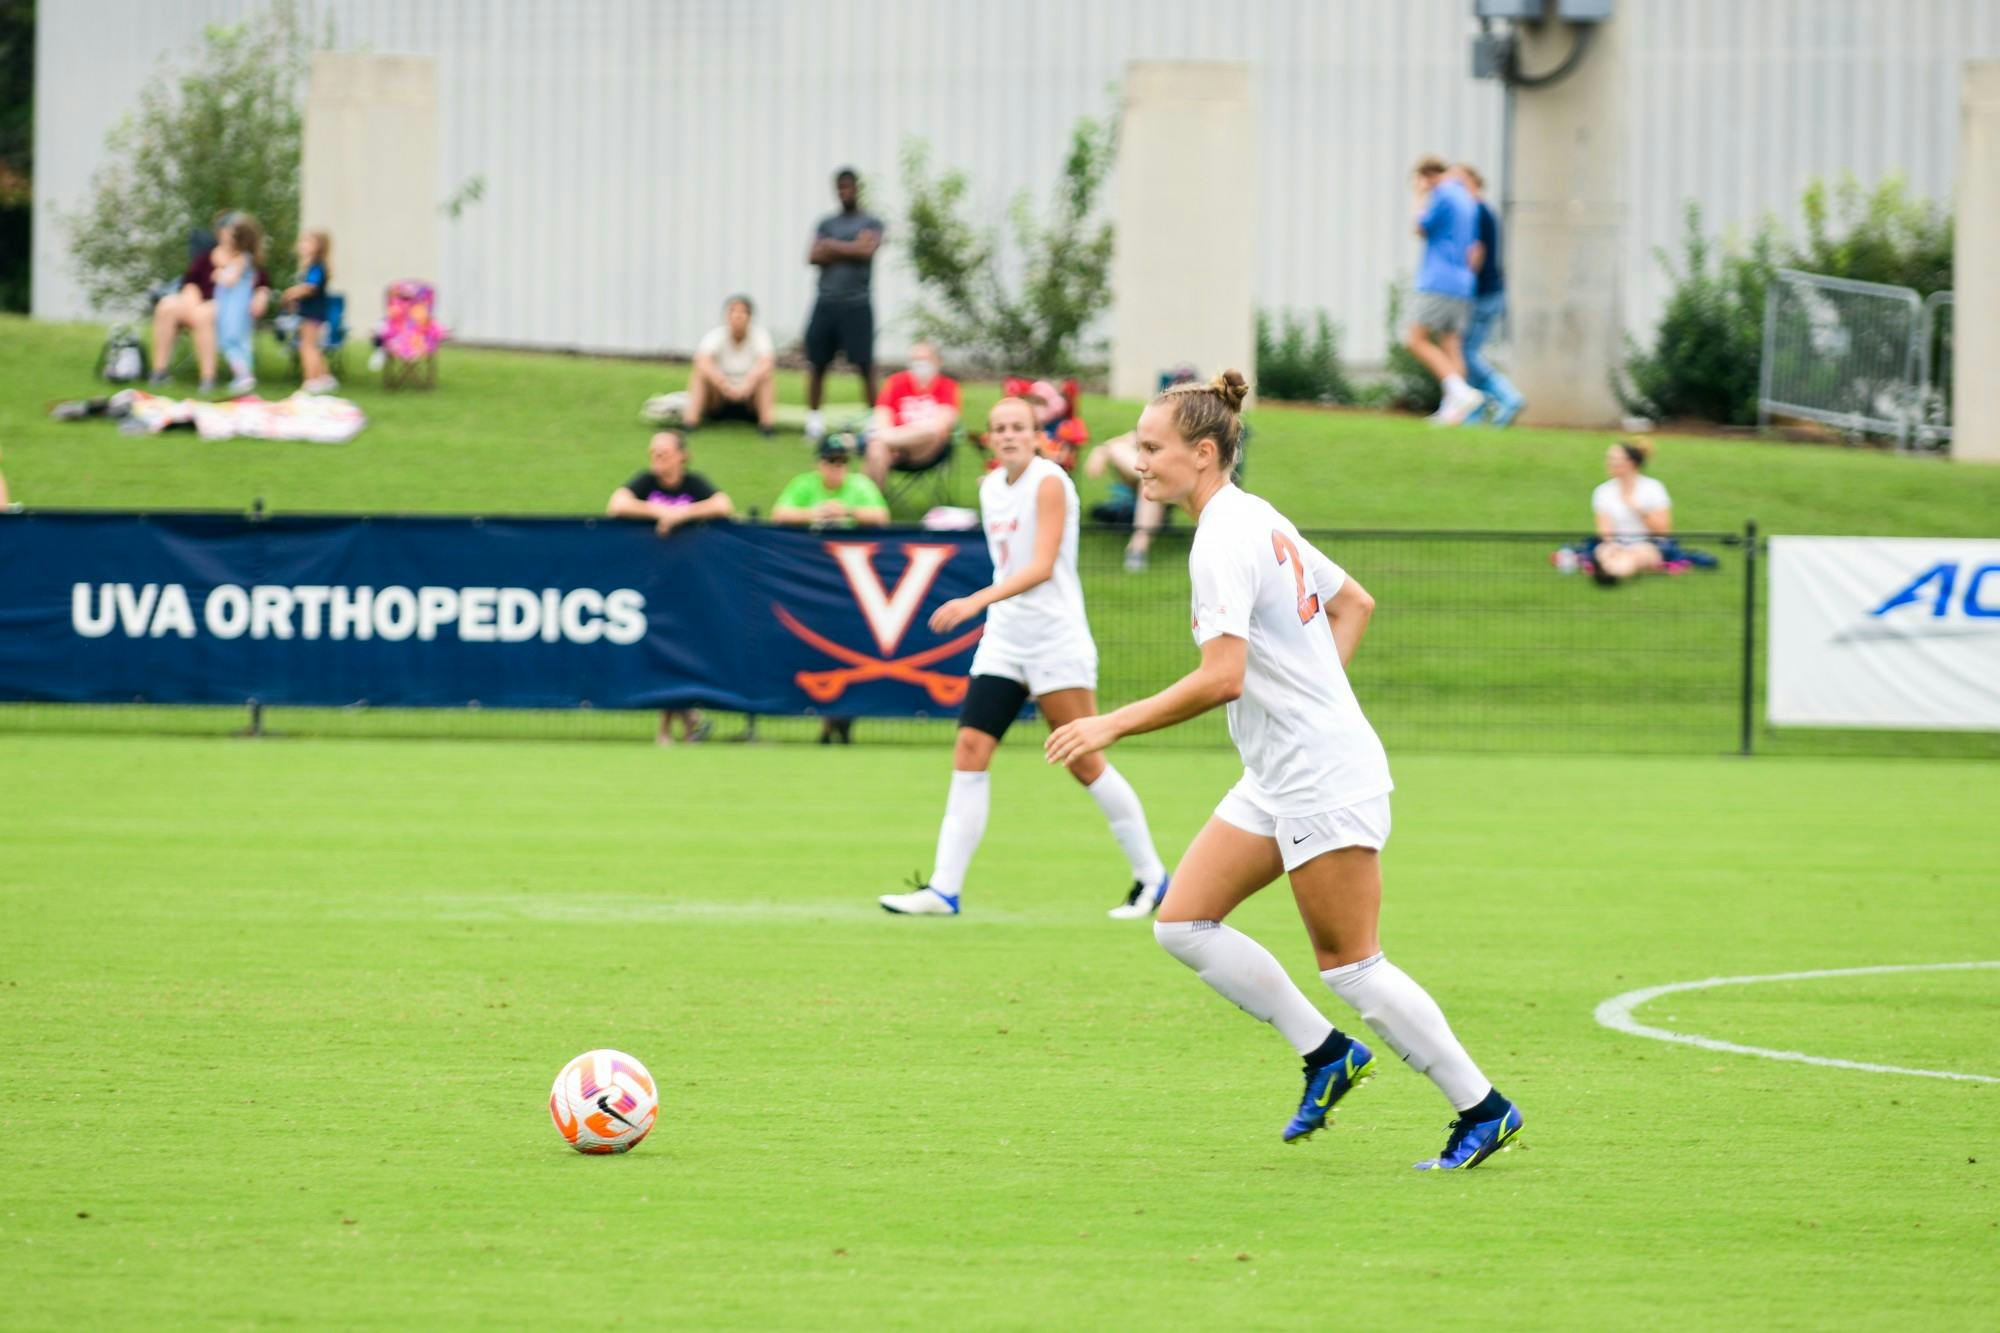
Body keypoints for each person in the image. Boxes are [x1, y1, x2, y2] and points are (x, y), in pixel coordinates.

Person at [1045, 371, 1522, 1171]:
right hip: (1281, 770)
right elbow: (1355, 604)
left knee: (1354, 967)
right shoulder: (1253, 516)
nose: (1138, 460)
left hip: (1319, 778)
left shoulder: (1223, 538)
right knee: (1182, 921)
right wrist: (1311, 699)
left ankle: (1484, 1107)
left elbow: (1222, 675)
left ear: (1202, 453)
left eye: (1152, 447)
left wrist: (1111, 720)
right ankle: (1325, 1054)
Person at [878, 396, 1172, 921]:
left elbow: (1040, 566)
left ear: (1038, 435)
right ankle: (944, 890)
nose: (1009, 435)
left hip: (1055, 640)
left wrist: (975, 600)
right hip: (1006, 641)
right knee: (970, 747)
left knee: (1084, 759)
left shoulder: (1050, 481)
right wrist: (989, 610)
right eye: (999, 428)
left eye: (1019, 427)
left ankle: (1153, 878)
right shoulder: (990, 487)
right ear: (988, 439)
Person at [607, 431, 737, 744]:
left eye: (663, 454)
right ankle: (682, 724)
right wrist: (658, 511)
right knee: (661, 652)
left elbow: (723, 505)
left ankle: (679, 726)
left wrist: (681, 515)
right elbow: (616, 505)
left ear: (682, 456)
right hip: (652, 583)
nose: (657, 460)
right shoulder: (646, 483)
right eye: (653, 454)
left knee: (681, 653)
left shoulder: (693, 485)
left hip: (691, 583)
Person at [149, 211, 272, 395]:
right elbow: (190, 282)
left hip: (225, 306)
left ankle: (208, 377)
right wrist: (193, 301)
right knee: (167, 305)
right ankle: (160, 371)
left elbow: (262, 284)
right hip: (195, 301)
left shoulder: (247, 261)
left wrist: (261, 297)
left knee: (204, 314)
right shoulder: (205, 258)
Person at [803, 168, 884, 440]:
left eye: (848, 187)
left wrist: (832, 247)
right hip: (826, 301)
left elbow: (867, 250)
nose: (844, 192)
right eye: (840, 188)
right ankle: (814, 421)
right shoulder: (826, 223)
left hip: (857, 303)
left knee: (864, 363)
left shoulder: (871, 222)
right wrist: (851, 247)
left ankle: (874, 420)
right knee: (817, 363)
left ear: (857, 188)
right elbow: (813, 255)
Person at [1403, 158, 1485, 426]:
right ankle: (1453, 413)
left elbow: (1420, 227)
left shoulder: (1442, 194)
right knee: (1451, 345)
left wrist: (1419, 195)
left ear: (1427, 176)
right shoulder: (1467, 199)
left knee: (1415, 340)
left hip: (1438, 280)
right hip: (1462, 282)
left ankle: (1460, 392)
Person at [1458, 166, 1524, 428]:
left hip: (1482, 294)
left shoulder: (1476, 212)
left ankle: (1507, 395)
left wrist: (1462, 285)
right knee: (1466, 352)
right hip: (1490, 293)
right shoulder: (1484, 212)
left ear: (1474, 183)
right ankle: (1475, 411)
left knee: (1467, 353)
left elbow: (1476, 253)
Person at [863, 341, 960, 487]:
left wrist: (888, 436)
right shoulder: (896, 382)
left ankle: (882, 440)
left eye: (925, 359)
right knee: (876, 450)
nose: (920, 364)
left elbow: (941, 424)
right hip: (892, 449)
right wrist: (892, 440)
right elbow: (882, 414)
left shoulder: (947, 386)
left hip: (926, 449)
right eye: (915, 360)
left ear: (937, 361)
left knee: (931, 431)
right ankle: (872, 504)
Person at [688, 295, 776, 434]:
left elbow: (767, 363)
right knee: (699, 375)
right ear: (727, 316)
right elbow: (702, 361)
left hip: (749, 398)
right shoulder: (716, 336)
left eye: (742, 312)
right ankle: (690, 423)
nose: (738, 316)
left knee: (766, 378)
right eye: (733, 311)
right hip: (720, 397)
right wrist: (724, 385)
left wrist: (747, 385)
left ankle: (767, 426)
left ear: (750, 316)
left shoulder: (760, 336)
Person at [1589, 440, 1672, 583]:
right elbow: (1604, 529)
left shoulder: (1653, 488)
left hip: (1647, 544)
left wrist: (1638, 509)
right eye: (1608, 458)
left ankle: (1610, 575)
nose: (1609, 463)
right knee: (1605, 552)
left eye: (1614, 459)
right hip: (1616, 543)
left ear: (1631, 463)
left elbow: (1663, 531)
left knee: (1633, 556)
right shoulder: (1602, 491)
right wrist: (1613, 545)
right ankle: (1612, 571)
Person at [771, 434, 889, 529]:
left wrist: (848, 512)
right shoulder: (804, 483)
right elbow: (779, 515)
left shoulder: (861, 484)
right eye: (832, 460)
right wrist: (814, 513)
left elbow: (882, 517)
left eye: (843, 460)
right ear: (819, 464)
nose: (838, 466)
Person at [209, 217, 265, 396]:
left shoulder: (242, 259)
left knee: (232, 341)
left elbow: (231, 281)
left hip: (235, 309)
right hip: (230, 307)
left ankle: (244, 376)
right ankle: (242, 376)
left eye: (231, 235)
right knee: (237, 341)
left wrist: (220, 275)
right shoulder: (243, 259)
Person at [283, 229, 337, 394]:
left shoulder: (316, 266)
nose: (303, 245)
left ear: (319, 247)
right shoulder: (314, 266)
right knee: (313, 347)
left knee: (307, 347)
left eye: (308, 242)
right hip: (313, 313)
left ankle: (311, 381)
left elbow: (310, 287)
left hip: (313, 314)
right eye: (302, 242)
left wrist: (291, 292)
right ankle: (325, 378)